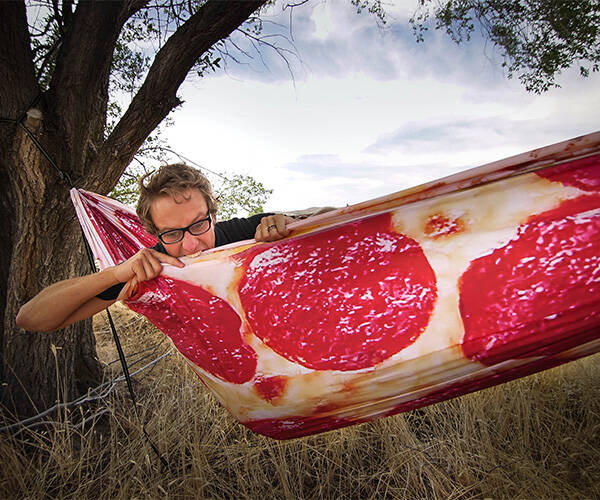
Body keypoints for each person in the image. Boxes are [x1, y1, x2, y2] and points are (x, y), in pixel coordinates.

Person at [16, 163, 293, 332]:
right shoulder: (151, 268)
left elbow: (334, 220)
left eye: (199, 224)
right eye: (172, 233)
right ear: (155, 233)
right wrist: (115, 275)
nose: (191, 244)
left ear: (213, 214)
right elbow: (30, 319)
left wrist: (290, 228)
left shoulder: (248, 233)